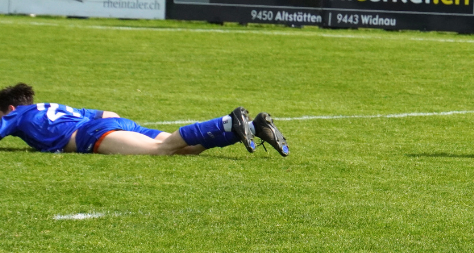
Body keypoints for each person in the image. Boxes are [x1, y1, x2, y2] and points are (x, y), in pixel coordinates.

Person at [0, 83, 288, 157]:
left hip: (90, 136)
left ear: (10, 107)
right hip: (117, 123)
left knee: (159, 150)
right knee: (183, 149)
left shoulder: (14, 114)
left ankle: (227, 122)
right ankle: (252, 127)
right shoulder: (52, 107)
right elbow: (109, 114)